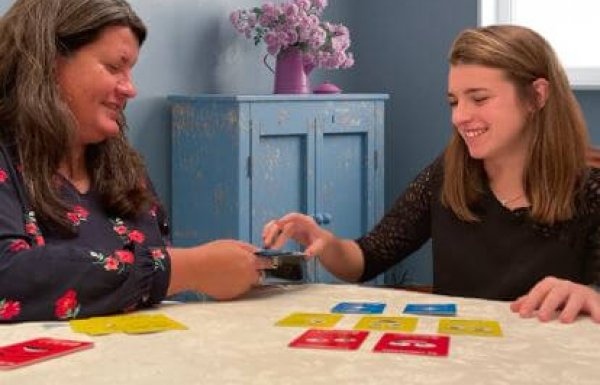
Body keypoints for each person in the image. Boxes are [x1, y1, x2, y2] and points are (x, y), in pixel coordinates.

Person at [263, 25, 600, 324]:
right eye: (454, 102)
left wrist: (591, 295)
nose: (460, 117)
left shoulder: (592, 188)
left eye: (479, 99)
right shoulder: (447, 173)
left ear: (537, 96)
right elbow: (368, 257)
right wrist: (325, 242)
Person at [0, 0, 267, 323]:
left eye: (131, 71)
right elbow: (7, 274)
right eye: (114, 67)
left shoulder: (122, 169)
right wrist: (188, 268)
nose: (130, 88)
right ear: (48, 64)